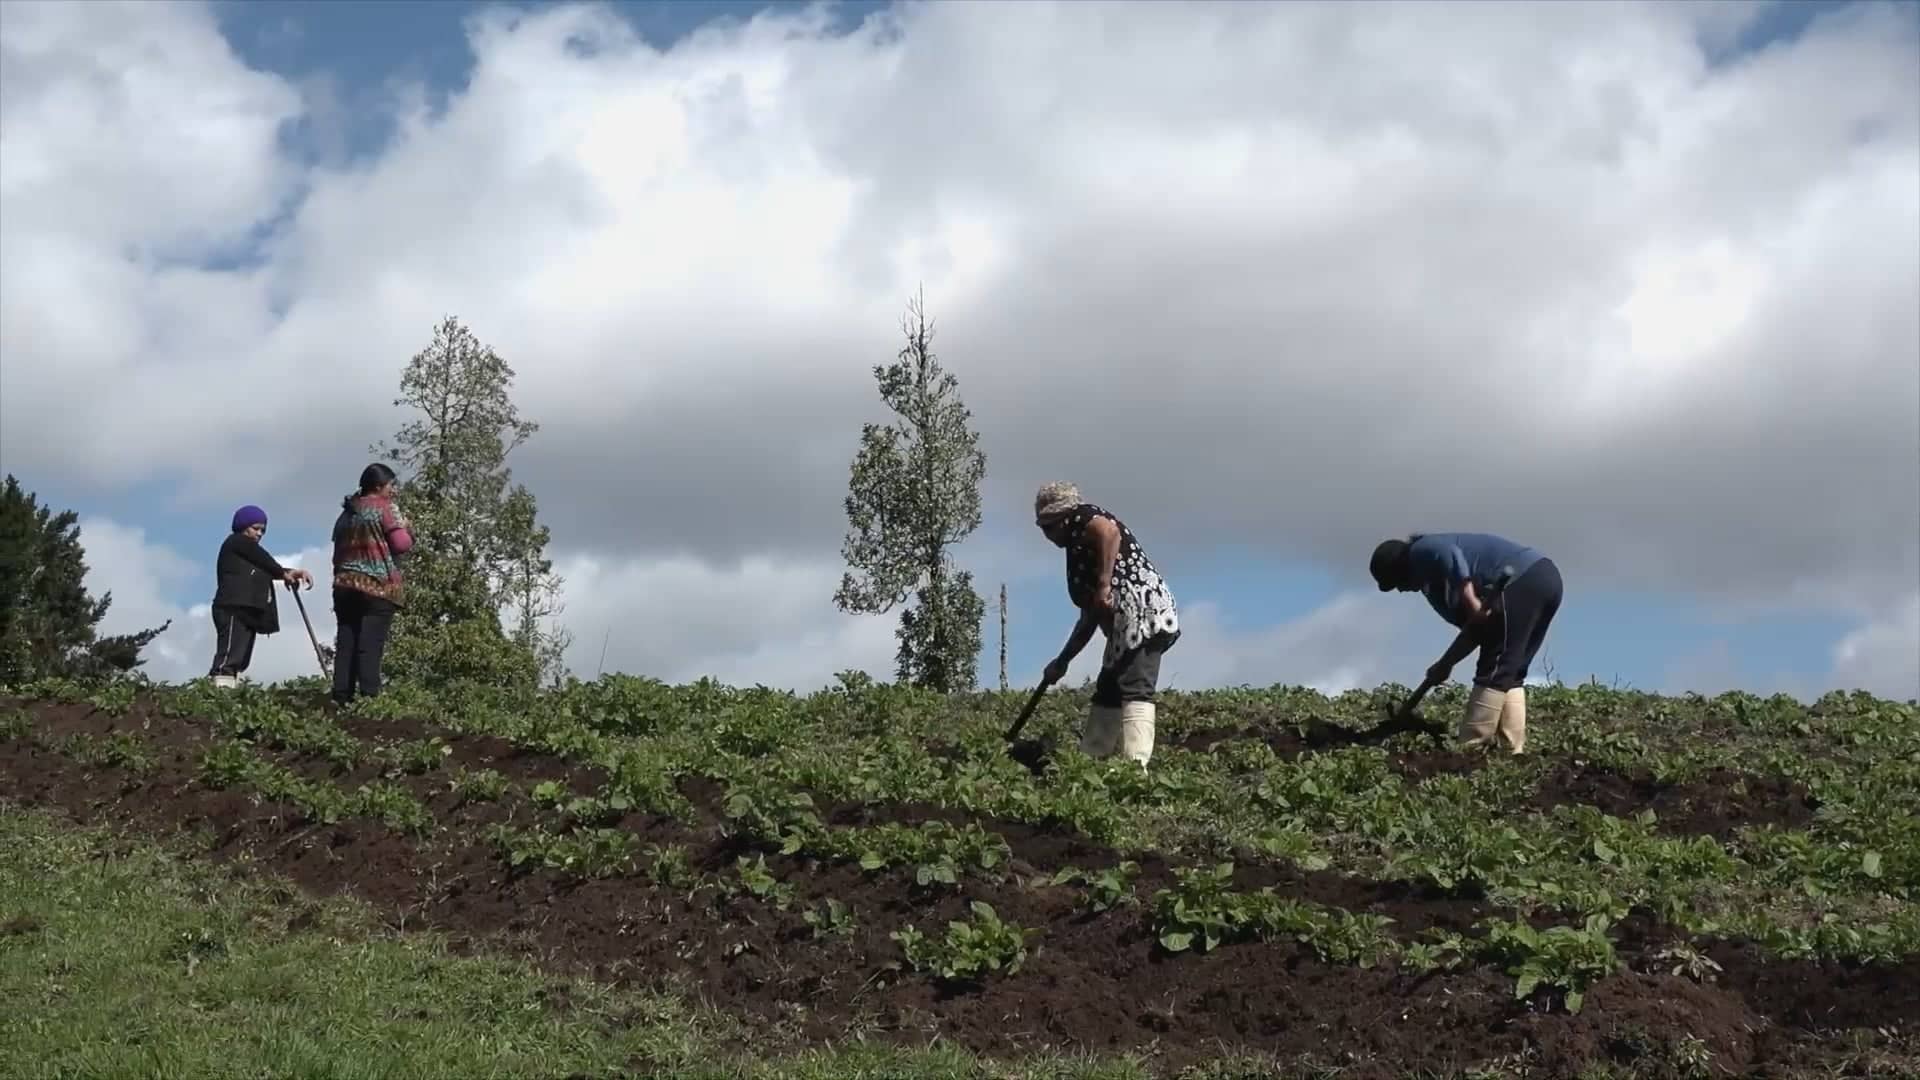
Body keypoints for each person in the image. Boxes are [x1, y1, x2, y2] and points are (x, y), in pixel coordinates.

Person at [1369, 532, 1563, 754]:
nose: (1401, 590)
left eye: (1396, 583)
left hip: (1521, 579)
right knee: (1511, 670)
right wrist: (1446, 664)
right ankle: (1512, 750)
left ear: (1401, 568)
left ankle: (1471, 746)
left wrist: (1469, 597)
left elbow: (1448, 553)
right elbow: (1474, 632)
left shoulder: (1420, 550)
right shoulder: (1437, 592)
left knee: (1495, 666)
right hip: (1545, 579)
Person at [1034, 482, 1181, 766]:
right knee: (1109, 690)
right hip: (1121, 627)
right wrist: (1062, 661)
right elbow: (1089, 617)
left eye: (1050, 527)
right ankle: (1091, 759)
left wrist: (1104, 585)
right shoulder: (1076, 549)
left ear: (1064, 518)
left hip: (1143, 609)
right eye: (1043, 528)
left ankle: (1135, 767)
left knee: (1136, 685)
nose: (1048, 536)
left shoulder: (1085, 518)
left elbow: (1109, 531)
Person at [329, 463, 412, 707]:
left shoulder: (346, 513)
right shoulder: (384, 509)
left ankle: (341, 697)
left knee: (347, 642)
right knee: (369, 644)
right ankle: (369, 700)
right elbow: (401, 545)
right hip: (376, 586)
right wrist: (407, 528)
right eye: (391, 485)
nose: (393, 491)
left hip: (344, 585)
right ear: (378, 486)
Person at [209, 505, 313, 688]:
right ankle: (219, 689)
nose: (259, 534)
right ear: (243, 526)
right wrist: (283, 574)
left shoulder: (249, 554)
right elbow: (263, 560)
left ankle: (229, 689)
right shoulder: (236, 542)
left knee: (240, 656)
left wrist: (290, 573)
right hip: (233, 606)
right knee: (229, 655)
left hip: (249, 609)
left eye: (262, 530)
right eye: (255, 528)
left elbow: (264, 567)